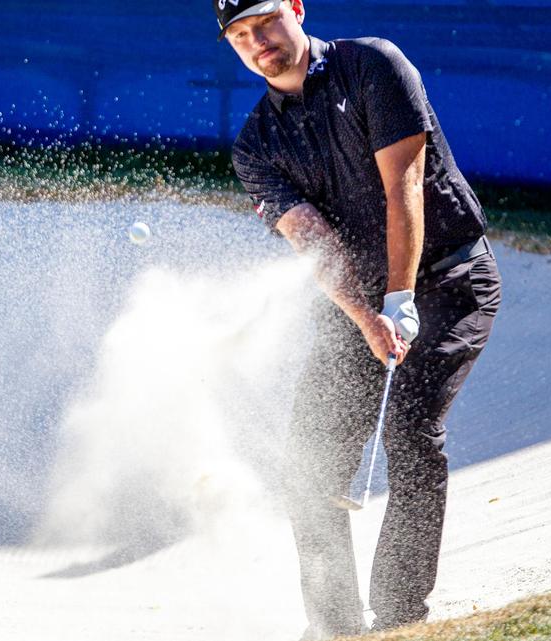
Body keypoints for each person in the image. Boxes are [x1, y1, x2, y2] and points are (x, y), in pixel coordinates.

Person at [213, 0, 502, 638]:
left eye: (266, 22)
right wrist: (369, 317)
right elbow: (313, 241)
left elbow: (405, 186)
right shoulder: (255, 146)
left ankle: (400, 619)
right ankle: (336, 627)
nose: (258, 42)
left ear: (296, 9)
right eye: (239, 35)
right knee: (307, 466)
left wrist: (401, 297)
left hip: (451, 281)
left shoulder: (374, 65)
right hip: (357, 305)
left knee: (409, 433)